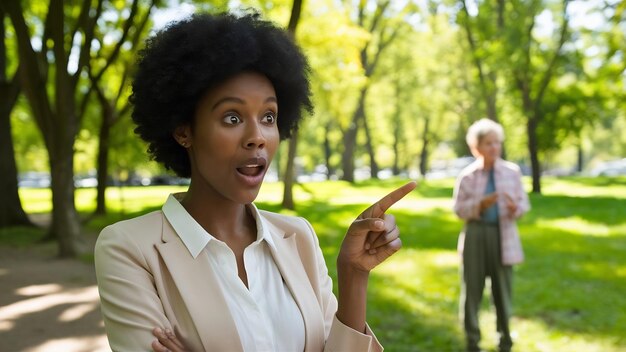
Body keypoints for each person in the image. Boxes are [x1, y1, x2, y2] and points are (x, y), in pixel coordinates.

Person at [94, 11, 416, 352]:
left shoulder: (299, 237)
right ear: (184, 130)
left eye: (268, 117)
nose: (257, 137)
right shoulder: (129, 249)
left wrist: (353, 276)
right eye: (232, 117)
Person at [452, 118, 530, 352]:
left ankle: (505, 340)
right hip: (475, 235)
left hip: (503, 235)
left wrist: (517, 209)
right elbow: (458, 209)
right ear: (476, 147)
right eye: (488, 143)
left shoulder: (512, 172)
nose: (494, 147)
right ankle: (472, 341)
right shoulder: (467, 176)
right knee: (472, 291)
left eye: (497, 142)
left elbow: (524, 204)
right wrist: (480, 205)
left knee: (502, 291)